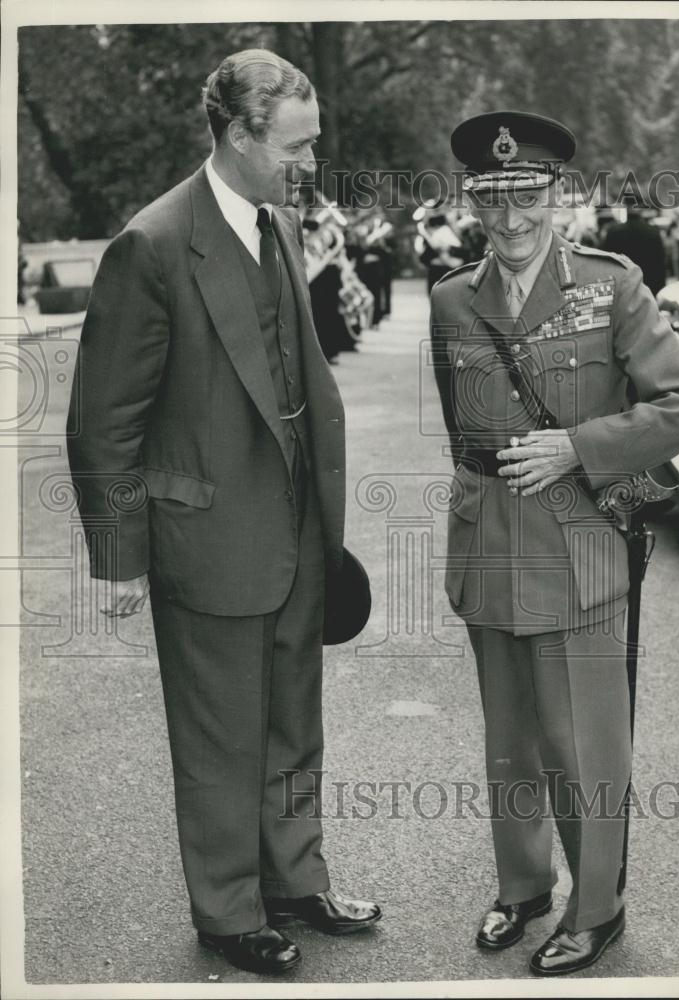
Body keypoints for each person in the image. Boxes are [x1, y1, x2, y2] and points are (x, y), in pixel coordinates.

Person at [66, 49, 381, 977]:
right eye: (297, 146)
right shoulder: (153, 243)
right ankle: (228, 911)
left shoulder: (273, 221)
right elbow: (102, 421)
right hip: (204, 537)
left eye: (314, 144)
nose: (311, 163)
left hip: (294, 530)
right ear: (239, 136)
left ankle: (294, 879)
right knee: (219, 736)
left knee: (293, 719)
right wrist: (121, 558)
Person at [429, 111, 679, 976]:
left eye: (527, 198)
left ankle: (598, 910)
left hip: (581, 547)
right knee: (509, 738)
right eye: (492, 200)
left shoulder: (612, 287)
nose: (510, 220)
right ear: (473, 199)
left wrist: (578, 447)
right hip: (488, 545)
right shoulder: (451, 296)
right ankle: (523, 889)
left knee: (584, 743)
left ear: (555, 195)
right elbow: (461, 431)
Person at [601, 199, 667, 296]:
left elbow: (607, 263)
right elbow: (660, 262)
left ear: (625, 208)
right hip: (649, 285)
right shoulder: (653, 231)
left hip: (624, 287)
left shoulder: (614, 232)